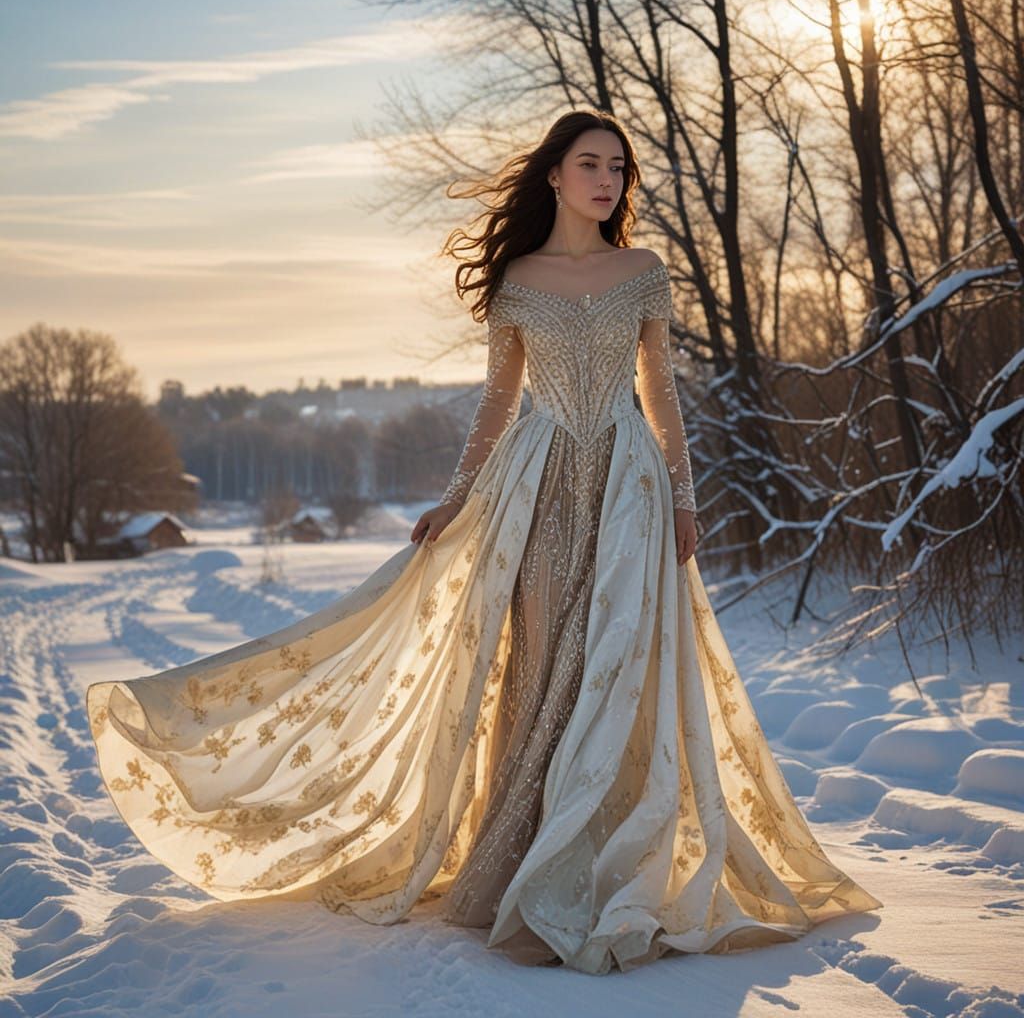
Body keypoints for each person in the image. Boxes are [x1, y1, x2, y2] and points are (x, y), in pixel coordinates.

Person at [86, 109, 882, 976]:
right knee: (544, 664)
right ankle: (526, 863)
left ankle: (607, 864)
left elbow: (662, 393)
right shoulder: (516, 280)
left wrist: (684, 501)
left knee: (617, 662)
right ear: (554, 175)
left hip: (628, 485)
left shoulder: (645, 270)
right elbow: (498, 404)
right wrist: (455, 499)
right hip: (534, 488)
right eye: (590, 163)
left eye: (618, 166)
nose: (608, 179)